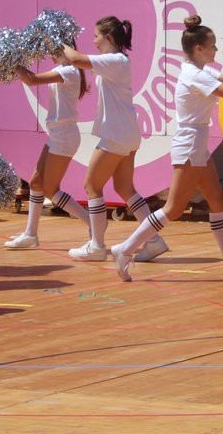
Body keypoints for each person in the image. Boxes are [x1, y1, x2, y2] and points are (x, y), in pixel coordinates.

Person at [111, 16, 223, 281]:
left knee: (217, 200)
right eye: (212, 46)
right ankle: (126, 249)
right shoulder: (195, 75)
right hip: (190, 142)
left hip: (197, 142)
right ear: (199, 49)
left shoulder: (201, 70)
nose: (216, 50)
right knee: (174, 208)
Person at [62, 16, 168, 262]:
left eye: (97, 36)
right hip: (126, 133)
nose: (94, 40)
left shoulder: (115, 60)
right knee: (124, 188)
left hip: (116, 135)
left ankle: (96, 246)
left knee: (92, 186)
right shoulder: (114, 61)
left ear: (109, 38)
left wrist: (57, 40)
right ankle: (153, 240)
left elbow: (76, 59)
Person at [4, 47, 91, 249]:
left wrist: (13, 61)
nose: (50, 55)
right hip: (57, 135)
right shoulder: (63, 69)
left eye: (55, 51)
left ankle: (93, 223)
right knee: (35, 181)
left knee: (51, 190)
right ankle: (30, 235)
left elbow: (32, 80)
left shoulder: (69, 71)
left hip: (64, 136)